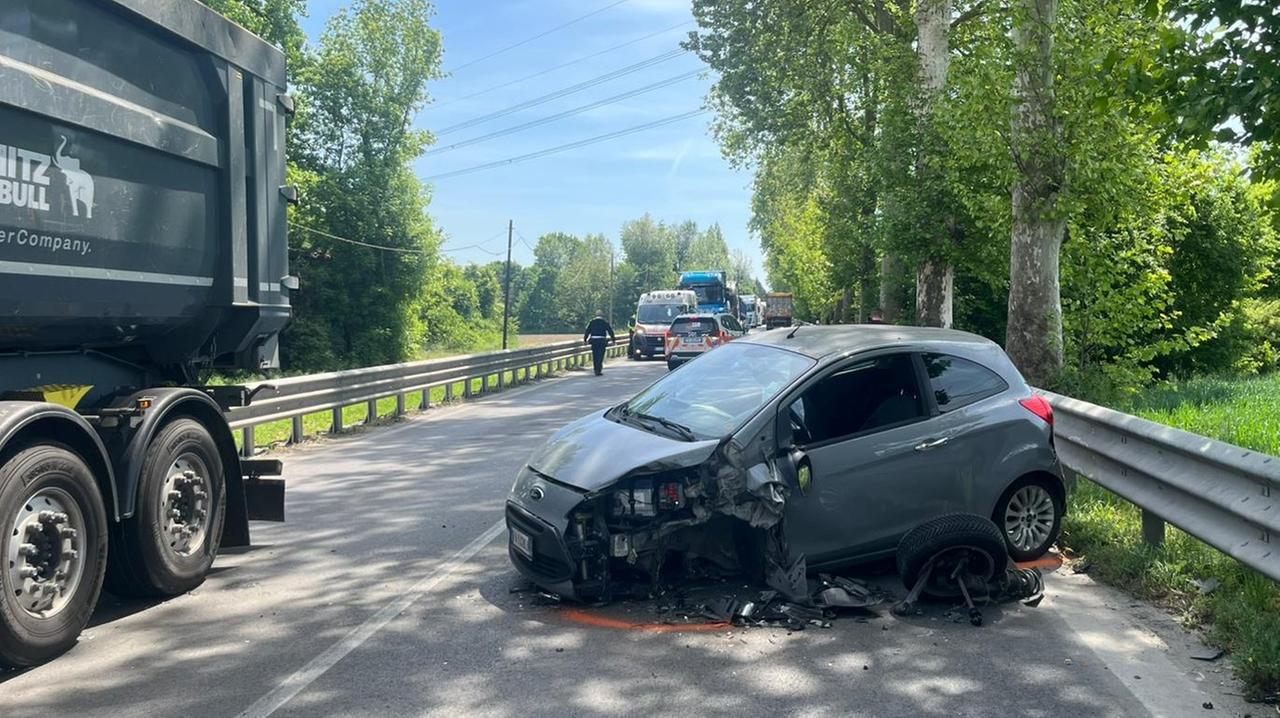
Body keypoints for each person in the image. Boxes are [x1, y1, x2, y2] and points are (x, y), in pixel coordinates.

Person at [582, 311, 616, 376]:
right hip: (602, 340)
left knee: (595, 355)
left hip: (594, 341)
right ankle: (598, 369)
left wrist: (585, 340)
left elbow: (587, 331)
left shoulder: (592, 322)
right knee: (600, 355)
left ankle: (595, 369)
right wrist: (613, 340)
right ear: (602, 316)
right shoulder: (604, 322)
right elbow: (610, 331)